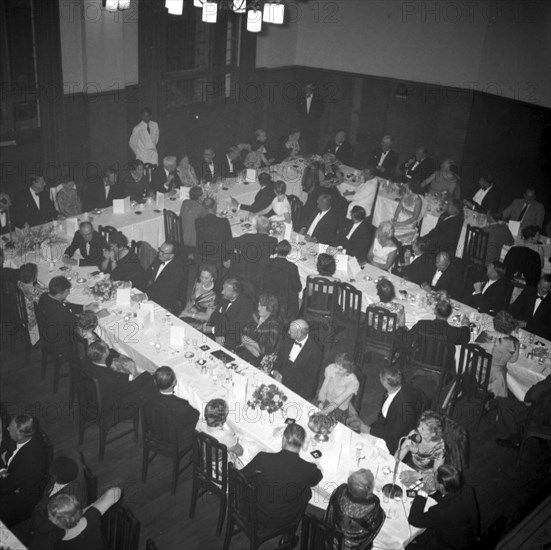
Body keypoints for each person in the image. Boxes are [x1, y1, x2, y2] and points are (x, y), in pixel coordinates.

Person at [241, 423, 323, 529]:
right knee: (307, 492)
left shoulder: (263, 458)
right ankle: (290, 533)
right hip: (283, 519)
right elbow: (316, 478)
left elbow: (242, 475)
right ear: (302, 443)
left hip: (255, 512)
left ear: (284, 439)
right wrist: (314, 466)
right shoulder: (307, 469)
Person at [408, 464, 480, 550]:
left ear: (442, 485)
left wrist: (422, 491)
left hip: (450, 545)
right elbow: (445, 498)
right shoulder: (467, 489)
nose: (432, 477)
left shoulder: (440, 511)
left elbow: (414, 519)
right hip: (468, 537)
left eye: (434, 476)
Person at [24, 454, 87, 550]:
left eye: (53, 476)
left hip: (53, 531)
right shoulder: (60, 476)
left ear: (60, 478)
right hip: (41, 515)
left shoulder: (68, 500)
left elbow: (44, 528)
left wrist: (36, 516)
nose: (50, 476)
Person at [82, 341, 154, 422]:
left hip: (91, 400)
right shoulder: (108, 380)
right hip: (114, 407)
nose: (109, 349)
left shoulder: (86, 361)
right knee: (150, 384)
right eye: (107, 348)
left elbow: (113, 374)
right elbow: (132, 387)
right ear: (104, 354)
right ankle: (149, 421)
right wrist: (149, 373)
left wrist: (130, 377)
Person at [0, 415, 48, 527]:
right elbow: (5, 450)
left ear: (20, 435)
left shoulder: (30, 462)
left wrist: (4, 471)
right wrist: (2, 469)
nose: (7, 428)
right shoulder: (21, 438)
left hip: (22, 500)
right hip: (12, 479)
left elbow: (6, 486)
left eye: (10, 428)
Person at [367, 366, 422, 454]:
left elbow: (396, 434)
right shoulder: (390, 390)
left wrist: (369, 430)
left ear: (385, 382)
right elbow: (382, 416)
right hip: (384, 428)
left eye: (380, 378)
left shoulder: (405, 406)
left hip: (394, 443)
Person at [324, 469, 385, 550]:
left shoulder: (340, 490)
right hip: (356, 547)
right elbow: (376, 524)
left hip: (333, 541)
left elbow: (330, 512)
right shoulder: (373, 504)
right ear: (370, 489)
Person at [406, 300, 471, 374]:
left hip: (418, 360)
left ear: (435, 311)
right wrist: (465, 324)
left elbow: (408, 337)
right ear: (450, 314)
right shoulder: (452, 331)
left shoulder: (422, 324)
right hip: (441, 366)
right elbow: (466, 338)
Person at [47, 487, 121, 550]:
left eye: (50, 516)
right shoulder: (91, 517)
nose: (49, 518)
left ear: (57, 522)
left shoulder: (60, 546)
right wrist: (82, 511)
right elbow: (115, 491)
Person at [37, 276, 90, 358]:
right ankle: (83, 362)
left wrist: (84, 307)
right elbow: (78, 322)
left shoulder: (44, 296)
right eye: (67, 291)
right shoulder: (59, 311)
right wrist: (97, 315)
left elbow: (65, 304)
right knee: (89, 335)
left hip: (47, 334)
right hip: (59, 343)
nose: (69, 293)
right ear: (58, 295)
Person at [495, 374, 551, 449]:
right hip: (547, 418)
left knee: (503, 403)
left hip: (540, 420)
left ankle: (514, 440)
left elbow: (528, 398)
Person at [271, 319, 323, 400]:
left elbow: (308, 380)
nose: (288, 332)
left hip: (296, 390)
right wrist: (274, 372)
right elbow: (279, 359)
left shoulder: (315, 351)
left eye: (291, 331)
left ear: (299, 334)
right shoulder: (288, 340)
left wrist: (286, 390)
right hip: (278, 380)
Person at [397, 411, 446, 493]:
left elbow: (436, 474)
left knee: (411, 492)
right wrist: (406, 449)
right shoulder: (414, 434)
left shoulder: (440, 447)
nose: (418, 429)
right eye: (419, 425)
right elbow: (396, 459)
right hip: (411, 467)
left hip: (428, 476)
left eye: (423, 428)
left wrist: (417, 475)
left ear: (433, 433)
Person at [475, 310, 519, 398]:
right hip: (495, 378)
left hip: (476, 371)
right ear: (511, 328)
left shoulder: (484, 334)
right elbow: (513, 360)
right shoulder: (513, 342)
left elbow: (477, 347)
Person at [203, 278, 254, 350]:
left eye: (225, 290)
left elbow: (235, 327)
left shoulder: (246, 305)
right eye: (223, 289)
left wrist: (213, 330)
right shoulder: (225, 297)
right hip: (219, 333)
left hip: (232, 337)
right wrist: (208, 326)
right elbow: (215, 315)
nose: (222, 292)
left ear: (234, 294)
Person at [150, 367, 199, 441]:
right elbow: (196, 415)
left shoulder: (149, 396)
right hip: (175, 439)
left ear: (155, 382)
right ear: (175, 382)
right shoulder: (182, 405)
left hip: (155, 431)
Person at [225, 216, 277, 285]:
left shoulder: (247, 237)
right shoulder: (273, 241)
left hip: (242, 272)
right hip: (260, 276)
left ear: (256, 228)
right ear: (269, 229)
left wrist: (229, 259)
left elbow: (228, 244)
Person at [235, 293, 282, 368]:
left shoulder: (274, 324)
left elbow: (267, 349)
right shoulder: (256, 315)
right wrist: (249, 346)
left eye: (262, 306)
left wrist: (247, 341)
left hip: (262, 359)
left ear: (270, 308)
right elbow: (243, 332)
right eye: (258, 305)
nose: (258, 308)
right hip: (247, 350)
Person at [145, 241, 190, 314]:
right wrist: (130, 282)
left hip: (169, 302)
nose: (159, 253)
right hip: (154, 294)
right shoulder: (158, 258)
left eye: (163, 253)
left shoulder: (179, 269)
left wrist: (146, 295)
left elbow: (166, 290)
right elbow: (146, 274)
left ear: (172, 255)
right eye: (160, 250)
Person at [263, 240, 302, 321]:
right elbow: (297, 287)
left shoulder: (267, 262)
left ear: (276, 249)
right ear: (289, 252)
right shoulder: (292, 267)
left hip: (268, 296)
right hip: (284, 301)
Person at [317, 353, 360, 426]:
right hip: (325, 401)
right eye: (336, 366)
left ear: (348, 370)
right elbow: (324, 388)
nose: (336, 370)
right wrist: (320, 402)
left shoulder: (353, 382)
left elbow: (336, 402)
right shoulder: (331, 368)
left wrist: (322, 412)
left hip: (338, 411)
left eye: (340, 369)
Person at [509, 274, 551, 340]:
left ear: (550, 289)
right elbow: (514, 308)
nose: (540, 288)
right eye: (539, 284)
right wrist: (511, 320)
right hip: (519, 331)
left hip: (538, 337)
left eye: (544, 288)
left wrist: (526, 324)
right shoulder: (528, 291)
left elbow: (547, 329)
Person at [195, 197, 232, 270]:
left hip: (202, 253)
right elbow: (229, 241)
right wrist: (227, 258)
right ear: (215, 207)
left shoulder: (198, 221)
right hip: (218, 256)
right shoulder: (224, 222)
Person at [179, 265, 219, 330]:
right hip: (191, 313)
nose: (202, 280)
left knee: (183, 328)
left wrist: (189, 315)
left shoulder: (214, 295)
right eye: (201, 276)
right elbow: (191, 300)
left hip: (202, 321)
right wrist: (185, 311)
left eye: (206, 278)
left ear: (212, 278)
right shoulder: (198, 282)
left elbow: (207, 317)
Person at [17, 263, 47, 344]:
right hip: (31, 322)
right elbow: (45, 297)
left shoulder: (19, 284)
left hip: (19, 314)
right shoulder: (35, 293)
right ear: (34, 277)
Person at [297, 81, 324, 154]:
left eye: (309, 88)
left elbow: (321, 112)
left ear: (313, 88)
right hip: (303, 126)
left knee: (313, 146)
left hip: (314, 127)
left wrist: (312, 121)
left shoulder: (319, 98)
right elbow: (298, 111)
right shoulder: (300, 97)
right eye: (306, 88)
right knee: (302, 146)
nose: (307, 89)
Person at [179, 185, 206, 252]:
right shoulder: (201, 208)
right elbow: (206, 219)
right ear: (200, 197)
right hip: (190, 240)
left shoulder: (185, 202)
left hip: (180, 234)